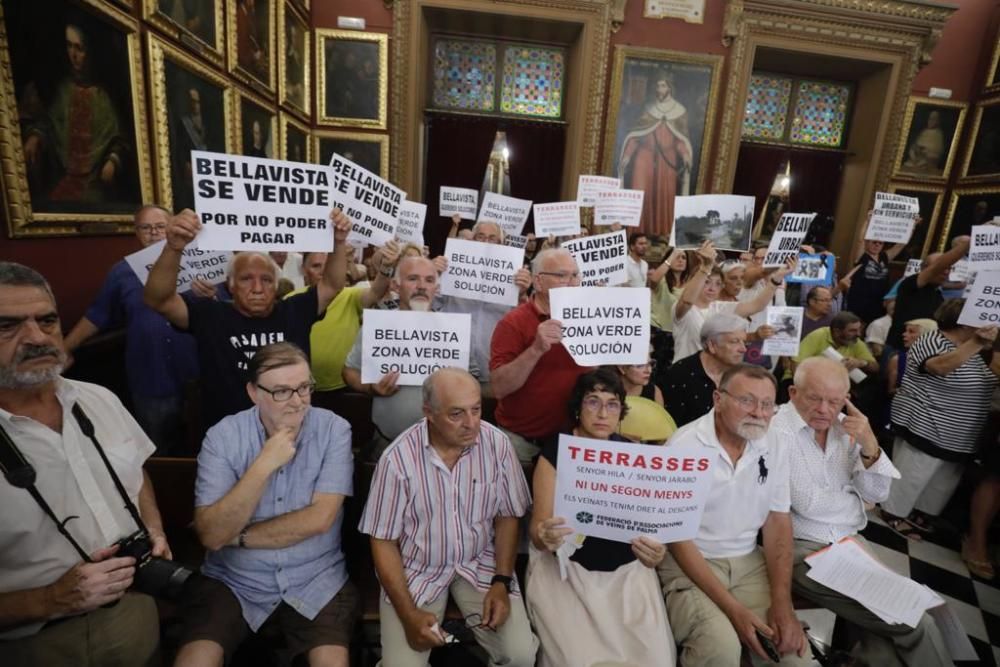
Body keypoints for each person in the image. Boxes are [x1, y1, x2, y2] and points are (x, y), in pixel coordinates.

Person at [0, 262, 170, 665]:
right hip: (31, 642)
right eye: (8, 325)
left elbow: (136, 468)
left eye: (47, 320)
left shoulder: (100, 399)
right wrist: (48, 599)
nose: (36, 337)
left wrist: (154, 526)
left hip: (136, 614)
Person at [173, 342, 357, 667]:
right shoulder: (223, 437)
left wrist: (237, 537)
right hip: (234, 578)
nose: (298, 402)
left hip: (315, 576)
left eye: (304, 388)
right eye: (282, 392)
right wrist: (263, 465)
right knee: (195, 660)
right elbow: (213, 533)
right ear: (254, 392)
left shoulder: (334, 430)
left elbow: (319, 519)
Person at [771, 358, 952, 666]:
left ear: (846, 399)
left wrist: (870, 447)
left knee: (920, 614)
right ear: (792, 393)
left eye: (835, 401)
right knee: (916, 622)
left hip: (850, 546)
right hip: (801, 552)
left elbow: (877, 494)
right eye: (814, 398)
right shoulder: (777, 429)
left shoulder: (848, 428)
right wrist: (854, 501)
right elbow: (808, 503)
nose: (825, 410)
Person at [359, 368, 537, 667]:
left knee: (520, 655)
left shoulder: (497, 445)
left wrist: (501, 581)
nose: (471, 424)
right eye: (456, 414)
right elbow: (383, 541)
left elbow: (508, 515)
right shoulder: (397, 459)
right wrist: (408, 614)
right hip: (418, 567)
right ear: (428, 412)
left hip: (480, 561)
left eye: (476, 410)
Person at [144, 208, 352, 429]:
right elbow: (159, 300)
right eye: (246, 279)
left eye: (266, 280)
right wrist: (174, 247)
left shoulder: (295, 310)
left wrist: (338, 242)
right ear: (230, 285)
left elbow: (332, 284)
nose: (257, 288)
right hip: (228, 433)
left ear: (276, 285)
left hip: (291, 428)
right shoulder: (210, 315)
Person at [658, 364, 810, 667]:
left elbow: (777, 521)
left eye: (767, 404)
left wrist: (783, 604)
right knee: (720, 649)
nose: (758, 412)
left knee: (793, 656)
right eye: (746, 401)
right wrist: (734, 610)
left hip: (748, 561)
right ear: (718, 399)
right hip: (692, 562)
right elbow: (677, 536)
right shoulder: (683, 447)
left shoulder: (775, 443)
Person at [527, 369, 675, 665]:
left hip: (628, 574)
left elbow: (652, 528)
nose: (602, 412)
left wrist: (658, 551)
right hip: (569, 572)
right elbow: (537, 531)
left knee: (656, 659)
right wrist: (545, 534)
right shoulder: (556, 451)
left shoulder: (634, 455)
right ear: (578, 409)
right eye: (592, 402)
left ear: (621, 410)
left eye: (612, 404)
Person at [62, 205, 199, 454]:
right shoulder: (121, 272)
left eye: (160, 226)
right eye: (145, 228)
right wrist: (63, 349)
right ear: (136, 233)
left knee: (203, 439)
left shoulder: (201, 262)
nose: (153, 233)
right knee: (158, 447)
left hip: (198, 371)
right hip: (151, 376)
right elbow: (97, 315)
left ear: (172, 227)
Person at [881, 299, 1000, 539]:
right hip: (928, 424)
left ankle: (920, 514)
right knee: (914, 473)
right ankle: (893, 512)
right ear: (966, 323)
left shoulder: (976, 349)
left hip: (960, 433)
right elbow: (938, 368)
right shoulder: (933, 340)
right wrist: (977, 342)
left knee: (942, 480)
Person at [343, 255, 466, 458]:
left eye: (429, 280)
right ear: (395, 286)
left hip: (442, 446)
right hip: (387, 443)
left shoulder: (454, 330)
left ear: (436, 288)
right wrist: (370, 388)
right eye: (413, 279)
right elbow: (348, 372)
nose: (421, 286)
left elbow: (471, 381)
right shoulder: (377, 326)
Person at [490, 248, 589, 462]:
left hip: (572, 444)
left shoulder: (590, 317)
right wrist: (535, 350)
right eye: (562, 275)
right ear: (538, 282)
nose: (572, 282)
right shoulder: (512, 323)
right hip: (523, 446)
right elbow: (499, 388)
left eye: (575, 275)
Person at [22, 24, 128, 206]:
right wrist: (36, 136)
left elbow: (119, 139)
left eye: (79, 48)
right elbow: (50, 124)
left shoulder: (103, 97)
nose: (73, 55)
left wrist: (112, 161)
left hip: (93, 183)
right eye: (69, 46)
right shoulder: (64, 90)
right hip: (63, 177)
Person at [437, 221, 532, 390]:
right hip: (452, 368)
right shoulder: (449, 270)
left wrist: (522, 294)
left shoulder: (515, 278)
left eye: (492, 239)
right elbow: (429, 307)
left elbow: (523, 325)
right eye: (480, 237)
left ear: (502, 245)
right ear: (471, 241)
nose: (486, 243)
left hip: (492, 371)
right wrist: (434, 276)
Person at [290, 248, 393, 393]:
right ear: (304, 269)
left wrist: (386, 268)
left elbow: (376, 292)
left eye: (328, 266)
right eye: (316, 266)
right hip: (300, 388)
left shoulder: (350, 296)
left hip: (344, 388)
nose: (324, 272)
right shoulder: (290, 300)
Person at [671, 241, 790, 364]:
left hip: (715, 373)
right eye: (707, 282)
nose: (712, 288)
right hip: (685, 371)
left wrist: (777, 278)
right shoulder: (683, 308)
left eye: (717, 284)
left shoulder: (720, 307)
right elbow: (686, 301)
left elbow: (757, 305)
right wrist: (704, 268)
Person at [618, 71, 693, 238]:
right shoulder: (649, 109)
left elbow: (680, 139)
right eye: (658, 85)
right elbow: (636, 135)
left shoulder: (679, 111)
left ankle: (662, 233)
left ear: (670, 88)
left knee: (664, 195)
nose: (660, 89)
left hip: (668, 158)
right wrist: (628, 155)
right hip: (644, 156)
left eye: (663, 85)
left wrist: (686, 154)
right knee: (640, 193)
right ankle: (636, 235)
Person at [663, 313, 748, 428]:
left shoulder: (742, 375)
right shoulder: (679, 375)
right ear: (712, 345)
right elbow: (669, 426)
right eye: (734, 341)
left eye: (744, 342)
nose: (743, 349)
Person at [886, 235, 970, 350]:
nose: (946, 271)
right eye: (943, 267)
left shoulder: (938, 294)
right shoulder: (910, 285)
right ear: (924, 268)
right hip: (899, 350)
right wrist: (973, 240)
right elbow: (938, 266)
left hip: (922, 352)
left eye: (949, 268)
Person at [788, 311, 878, 380]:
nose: (858, 334)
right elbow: (796, 363)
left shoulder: (855, 341)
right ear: (837, 331)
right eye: (852, 330)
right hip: (803, 379)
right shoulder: (818, 335)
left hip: (835, 383)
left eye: (859, 330)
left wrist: (861, 363)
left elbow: (876, 367)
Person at [885, 318, 938, 396]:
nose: (904, 334)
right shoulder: (897, 360)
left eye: (911, 332)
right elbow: (890, 391)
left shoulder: (940, 361)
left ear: (926, 335)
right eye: (906, 331)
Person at [902, 110, 946, 175]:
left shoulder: (938, 134)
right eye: (930, 119)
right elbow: (917, 144)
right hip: (918, 157)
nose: (931, 121)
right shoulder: (924, 131)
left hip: (928, 159)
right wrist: (916, 148)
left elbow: (936, 150)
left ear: (937, 121)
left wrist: (925, 150)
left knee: (923, 164)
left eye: (933, 119)